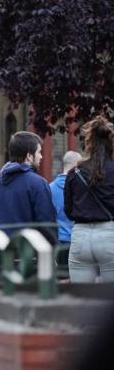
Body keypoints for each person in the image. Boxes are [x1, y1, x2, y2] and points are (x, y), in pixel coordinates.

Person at [64, 117, 114, 283]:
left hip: (80, 236)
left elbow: (68, 210)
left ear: (88, 142)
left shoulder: (75, 172)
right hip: (109, 234)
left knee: (81, 298)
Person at [0, 131, 57, 243]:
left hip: (0, 253)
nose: (41, 157)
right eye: (39, 152)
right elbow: (47, 226)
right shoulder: (37, 183)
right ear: (29, 156)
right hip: (28, 254)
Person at [50, 150, 82, 265]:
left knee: (61, 278)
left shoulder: (50, 188)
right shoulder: (82, 188)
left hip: (58, 241)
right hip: (78, 240)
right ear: (76, 165)